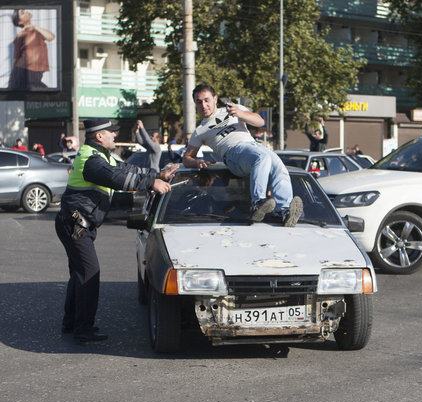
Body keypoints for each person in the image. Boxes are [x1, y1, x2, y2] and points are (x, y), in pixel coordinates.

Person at [55, 118, 177, 343]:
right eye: (110, 132)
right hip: (75, 225)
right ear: (99, 136)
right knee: (89, 273)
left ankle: (71, 322)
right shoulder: (90, 159)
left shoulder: (101, 155)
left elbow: (126, 169)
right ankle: (83, 329)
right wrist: (151, 184)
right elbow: (116, 178)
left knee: (79, 273)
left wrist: (157, 175)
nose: (114, 135)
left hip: (77, 224)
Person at [183, 83, 302, 227]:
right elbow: (187, 158)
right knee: (262, 158)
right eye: (199, 102)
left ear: (215, 99)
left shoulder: (234, 109)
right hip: (233, 154)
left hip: (254, 147)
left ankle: (282, 211)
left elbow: (260, 121)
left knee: (279, 167)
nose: (203, 105)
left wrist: (241, 114)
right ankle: (257, 202)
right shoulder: (200, 130)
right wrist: (196, 162)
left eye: (206, 100)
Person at [8, 9, 55, 90]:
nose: (26, 12)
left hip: (35, 70)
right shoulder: (20, 36)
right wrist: (13, 75)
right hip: (23, 70)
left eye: (24, 10)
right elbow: (16, 57)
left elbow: (51, 37)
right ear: (20, 22)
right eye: (22, 13)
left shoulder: (37, 31)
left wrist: (35, 27)